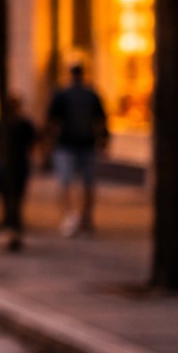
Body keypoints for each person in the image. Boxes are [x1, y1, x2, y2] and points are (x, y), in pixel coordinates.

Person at [45, 61, 108, 236]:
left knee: (66, 182)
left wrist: (49, 142)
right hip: (85, 143)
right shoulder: (91, 94)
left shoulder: (63, 94)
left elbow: (52, 121)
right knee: (87, 183)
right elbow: (101, 120)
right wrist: (103, 140)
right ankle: (84, 217)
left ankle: (71, 217)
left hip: (67, 144)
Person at [0, 94, 37, 250]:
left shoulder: (20, 124)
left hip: (16, 162)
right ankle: (10, 219)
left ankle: (13, 220)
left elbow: (33, 140)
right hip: (8, 163)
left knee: (15, 193)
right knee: (8, 193)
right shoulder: (2, 124)